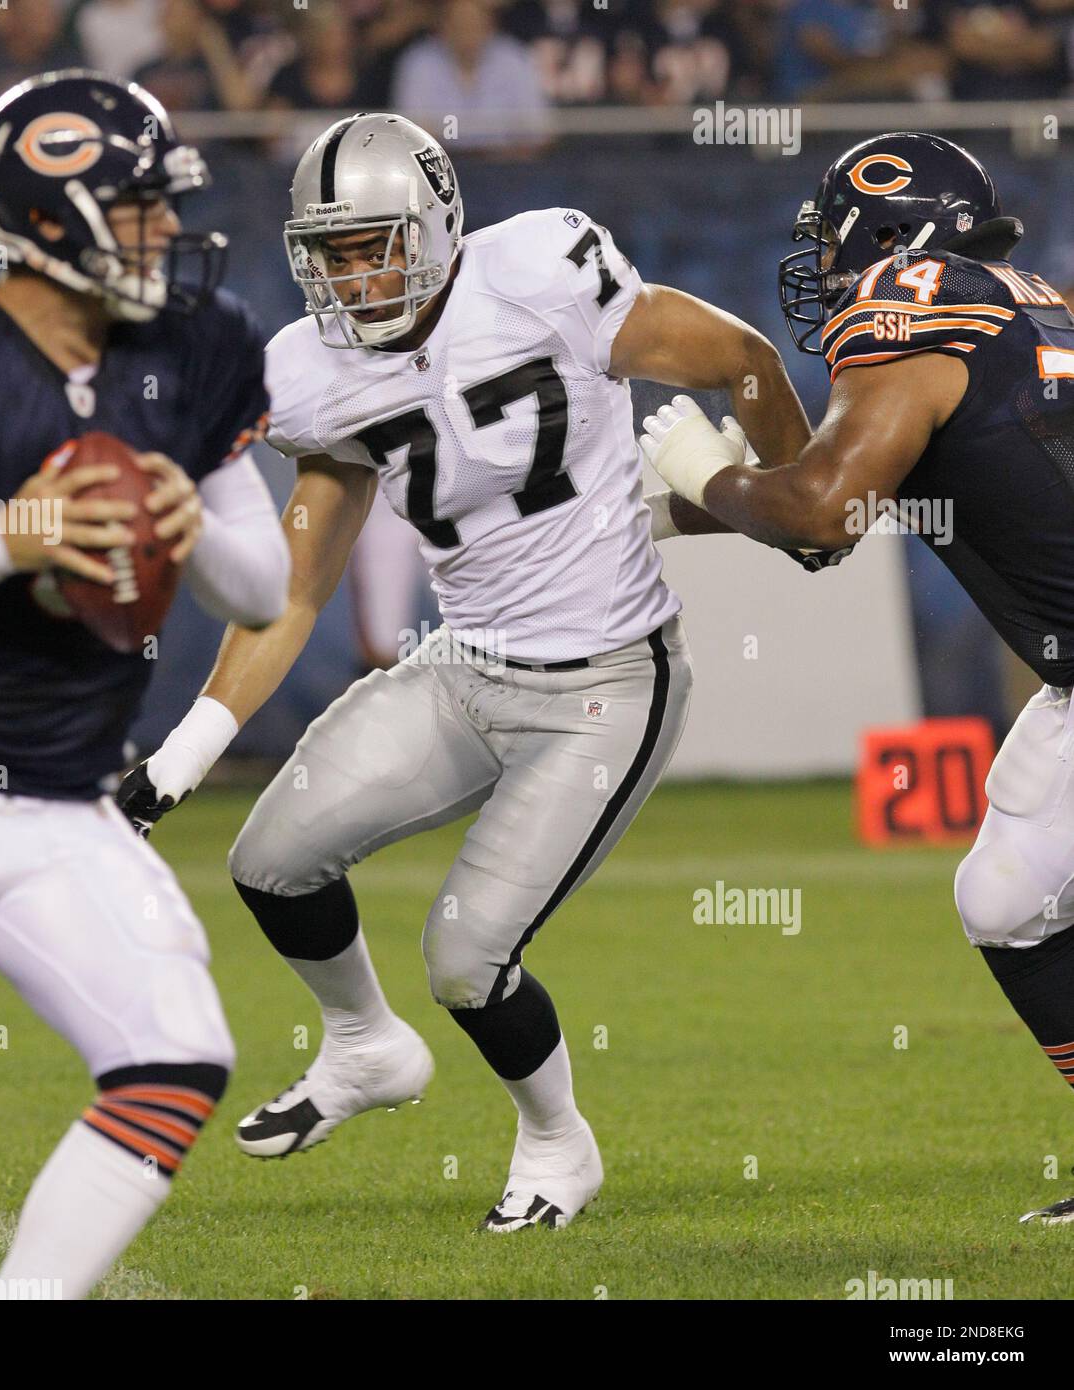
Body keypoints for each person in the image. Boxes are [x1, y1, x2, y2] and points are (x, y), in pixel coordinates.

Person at [118, 110, 809, 1231]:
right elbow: (294, 586)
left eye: (372, 240)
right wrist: (180, 756)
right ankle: (362, 1046)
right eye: (329, 250)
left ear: (438, 222)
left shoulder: (539, 271)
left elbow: (743, 356)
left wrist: (795, 496)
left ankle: (556, 1142)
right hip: (460, 668)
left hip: (604, 684)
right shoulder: (310, 368)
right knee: (270, 861)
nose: (353, 271)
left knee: (464, 955)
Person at [0, 70, 290, 1296]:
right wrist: (9, 538)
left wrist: (195, 523)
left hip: (58, 801)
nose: (164, 234)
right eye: (137, 207)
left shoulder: (199, 346)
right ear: (48, 219)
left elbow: (259, 588)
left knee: (175, 1058)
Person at [640, 130, 1074, 1225]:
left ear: (886, 232)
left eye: (835, 243)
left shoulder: (904, 295)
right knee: (1007, 891)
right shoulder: (1026, 299)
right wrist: (690, 506)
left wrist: (714, 472)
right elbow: (846, 500)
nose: (828, 271)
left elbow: (822, 511)